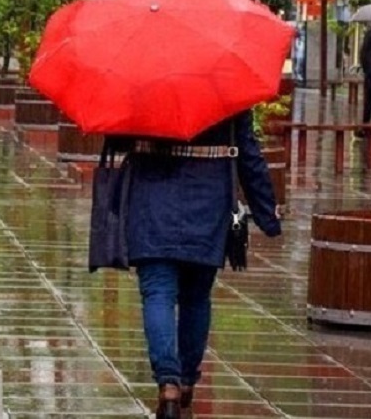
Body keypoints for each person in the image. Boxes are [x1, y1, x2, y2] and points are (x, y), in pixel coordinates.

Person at [114, 112, 282, 416]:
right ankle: (187, 379)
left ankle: (168, 384)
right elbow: (248, 151)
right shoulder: (227, 89)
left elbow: (117, 139)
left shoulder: (141, 88)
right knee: (196, 296)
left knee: (157, 292)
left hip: (152, 200)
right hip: (207, 198)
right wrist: (266, 213)